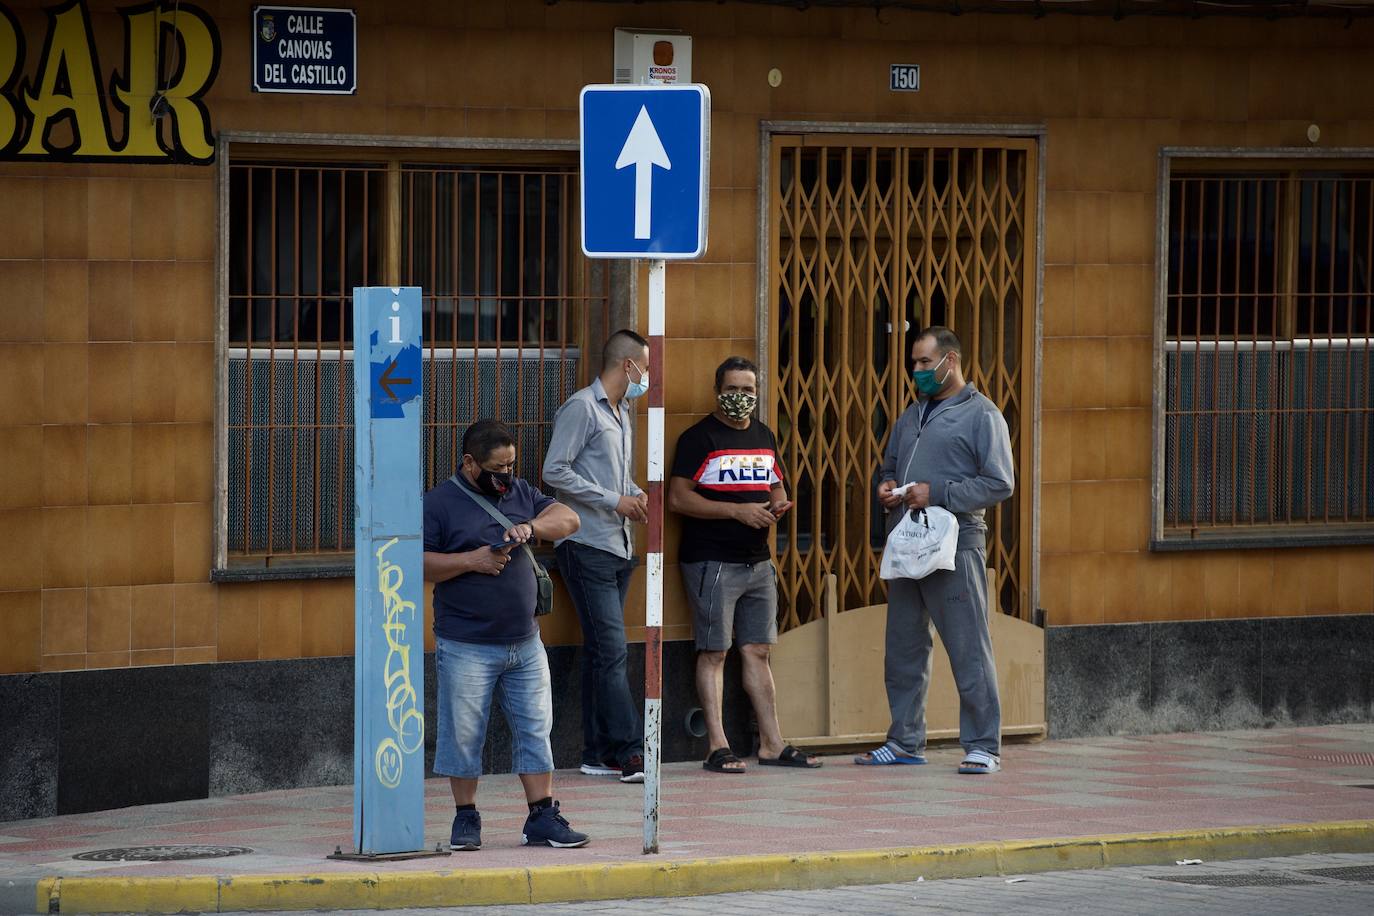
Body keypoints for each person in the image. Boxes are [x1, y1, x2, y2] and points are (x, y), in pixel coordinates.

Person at [422, 419, 589, 851]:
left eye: (512, 465)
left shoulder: (518, 493)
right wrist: (472, 561)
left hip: (525, 641)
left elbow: (568, 517)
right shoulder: (439, 504)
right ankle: (465, 817)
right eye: (498, 468)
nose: (507, 477)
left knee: (536, 729)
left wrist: (531, 528)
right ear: (469, 463)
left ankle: (542, 816)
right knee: (464, 734)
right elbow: (415, 564)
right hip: (466, 644)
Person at [855, 327, 1014, 775]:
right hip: (908, 543)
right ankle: (905, 740)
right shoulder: (911, 416)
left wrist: (937, 491)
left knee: (968, 647)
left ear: (951, 361)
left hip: (956, 542)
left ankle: (983, 744)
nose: (918, 371)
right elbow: (888, 467)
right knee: (903, 647)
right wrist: (885, 487)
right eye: (915, 363)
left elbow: (1000, 483)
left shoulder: (982, 415)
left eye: (926, 363)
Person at [667, 356, 821, 774]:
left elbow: (775, 481)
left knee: (757, 649)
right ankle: (717, 745)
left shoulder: (764, 434)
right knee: (715, 650)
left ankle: (772, 743)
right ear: (718, 391)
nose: (740, 397)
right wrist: (736, 513)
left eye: (748, 390)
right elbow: (678, 498)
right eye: (732, 389)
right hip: (712, 561)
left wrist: (777, 504)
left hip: (759, 562)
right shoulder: (700, 438)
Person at [542, 329, 650, 784]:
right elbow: (554, 470)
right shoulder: (581, 408)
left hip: (617, 545)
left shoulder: (623, 412)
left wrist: (634, 495)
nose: (650, 375)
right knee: (613, 651)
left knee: (601, 654)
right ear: (628, 366)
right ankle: (628, 752)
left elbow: (615, 476)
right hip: (585, 544)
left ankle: (595, 751)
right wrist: (613, 500)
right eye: (647, 366)